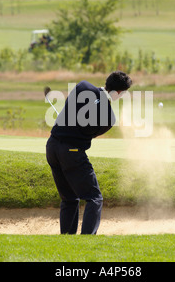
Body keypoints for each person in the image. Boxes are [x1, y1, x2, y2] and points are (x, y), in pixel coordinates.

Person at [46, 71, 132, 234]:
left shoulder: (83, 86)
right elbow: (89, 132)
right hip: (71, 152)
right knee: (94, 198)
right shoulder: (109, 118)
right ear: (119, 93)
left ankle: (66, 238)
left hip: (52, 147)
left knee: (69, 198)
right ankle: (87, 240)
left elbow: (72, 107)